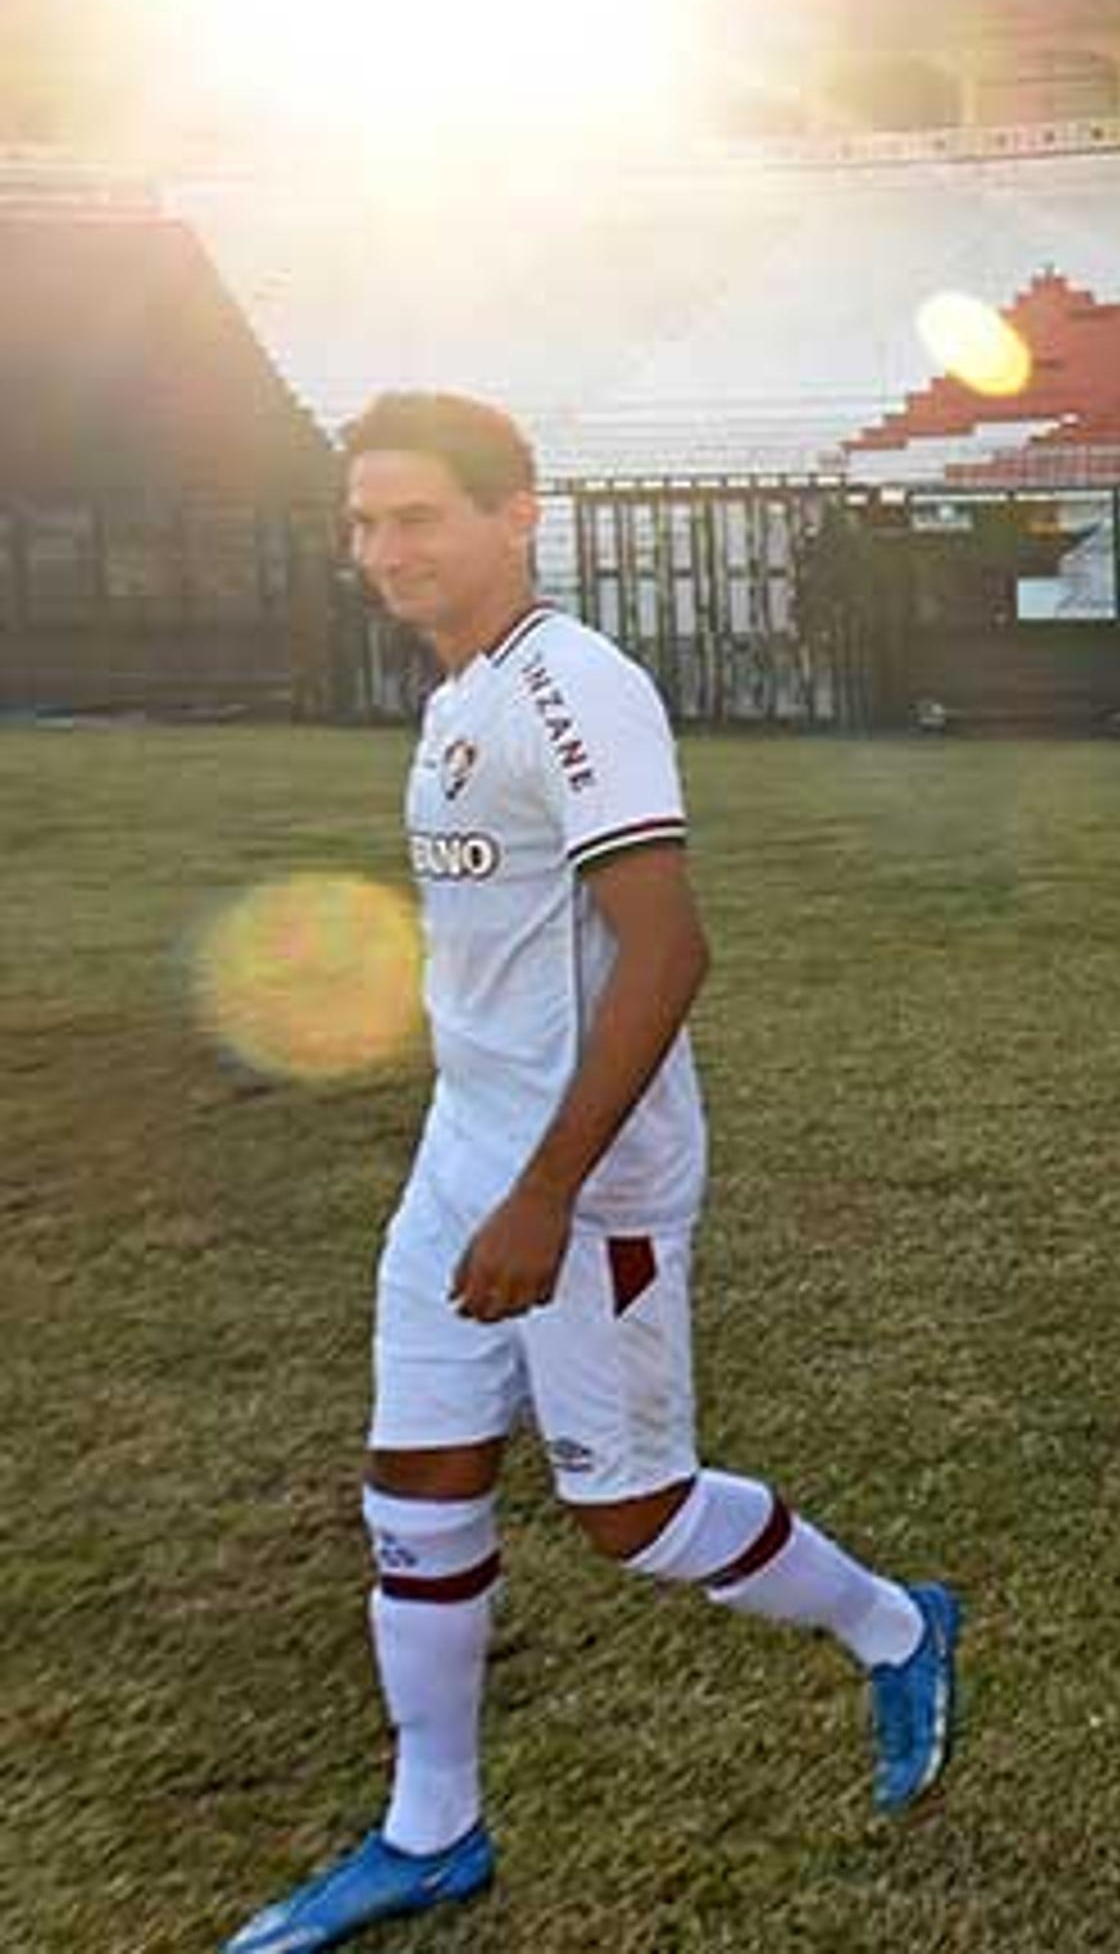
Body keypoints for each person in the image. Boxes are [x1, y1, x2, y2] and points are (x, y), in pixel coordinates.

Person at [231, 393, 958, 1954]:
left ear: (516, 515)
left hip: (589, 1174)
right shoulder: (456, 693)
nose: (382, 550)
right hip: (465, 1153)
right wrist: (486, 1167)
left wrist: (548, 1190)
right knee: (415, 1484)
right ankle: (433, 1829)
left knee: (632, 1512)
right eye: (363, 521)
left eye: (418, 515)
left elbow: (668, 946)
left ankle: (894, 1622)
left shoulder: (578, 684)